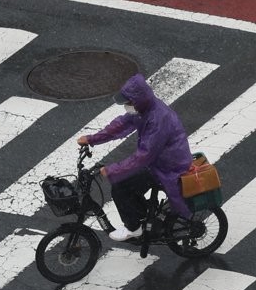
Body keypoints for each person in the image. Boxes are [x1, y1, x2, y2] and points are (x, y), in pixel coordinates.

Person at [77, 73, 193, 242]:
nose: (127, 106)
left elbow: (143, 157)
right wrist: (92, 139)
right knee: (128, 185)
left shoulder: (158, 119)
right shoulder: (144, 109)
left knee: (120, 187)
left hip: (167, 165)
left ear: (138, 100)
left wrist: (112, 170)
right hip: (158, 160)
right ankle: (144, 219)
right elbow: (120, 125)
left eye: (129, 102)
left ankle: (134, 227)